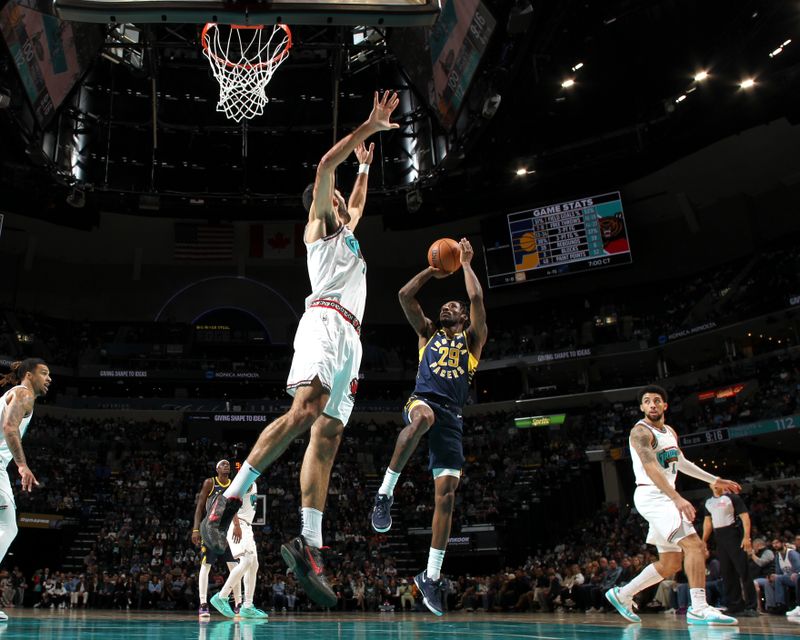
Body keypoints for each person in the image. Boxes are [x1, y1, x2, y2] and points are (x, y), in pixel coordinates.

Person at [201, 90, 400, 608]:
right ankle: (230, 497)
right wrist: (368, 127)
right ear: (320, 201)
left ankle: (310, 545)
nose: (339, 203)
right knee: (305, 410)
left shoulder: (349, 231)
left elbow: (357, 204)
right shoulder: (317, 226)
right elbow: (324, 163)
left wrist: (364, 170)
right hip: (324, 322)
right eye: (332, 197)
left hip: (352, 338)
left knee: (328, 436)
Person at [369, 239, 488, 616]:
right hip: (422, 401)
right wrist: (432, 272)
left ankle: (431, 576)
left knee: (447, 495)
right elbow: (405, 295)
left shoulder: (472, 341)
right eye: (445, 304)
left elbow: (478, 304)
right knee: (423, 417)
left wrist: (466, 264)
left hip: (453, 414)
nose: (447, 306)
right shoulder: (427, 333)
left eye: (454, 306)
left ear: (463, 318)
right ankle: (385, 494)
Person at [605, 385, 742, 626]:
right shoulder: (640, 432)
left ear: (665, 405)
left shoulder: (669, 432)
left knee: (671, 563)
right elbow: (650, 467)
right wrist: (676, 497)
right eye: (647, 402)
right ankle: (698, 608)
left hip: (664, 496)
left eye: (657, 400)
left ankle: (623, 593)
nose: (652, 405)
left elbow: (680, 462)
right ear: (642, 408)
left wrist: (714, 479)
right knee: (695, 546)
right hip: (652, 495)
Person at [0, 358, 50, 622]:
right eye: (44, 373)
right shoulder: (23, 393)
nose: (49, 378)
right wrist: (22, 465)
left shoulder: (13, 394)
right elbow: (9, 427)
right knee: (8, 527)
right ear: (29, 375)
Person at [210, 481, 268, 619]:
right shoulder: (246, 480)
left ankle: (248, 606)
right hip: (238, 524)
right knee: (246, 561)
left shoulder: (254, 482)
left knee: (253, 564)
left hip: (247, 526)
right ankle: (222, 596)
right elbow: (230, 503)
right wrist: (236, 525)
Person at [191, 460, 240, 618]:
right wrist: (196, 529)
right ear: (217, 469)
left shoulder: (234, 484)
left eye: (228, 464)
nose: (227, 466)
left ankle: (238, 604)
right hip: (210, 529)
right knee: (206, 565)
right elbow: (199, 507)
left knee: (234, 566)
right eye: (223, 464)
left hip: (226, 530)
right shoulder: (210, 483)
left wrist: (237, 526)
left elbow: (234, 508)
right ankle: (203, 604)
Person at [702, 483, 758, 616]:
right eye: (712, 483)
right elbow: (708, 522)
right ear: (710, 486)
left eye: (717, 483)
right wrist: (703, 540)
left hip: (733, 534)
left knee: (743, 570)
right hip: (719, 537)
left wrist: (746, 537)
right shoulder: (708, 502)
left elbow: (745, 517)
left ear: (722, 485)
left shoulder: (732, 498)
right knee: (727, 573)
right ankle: (734, 605)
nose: (715, 485)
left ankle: (751, 606)